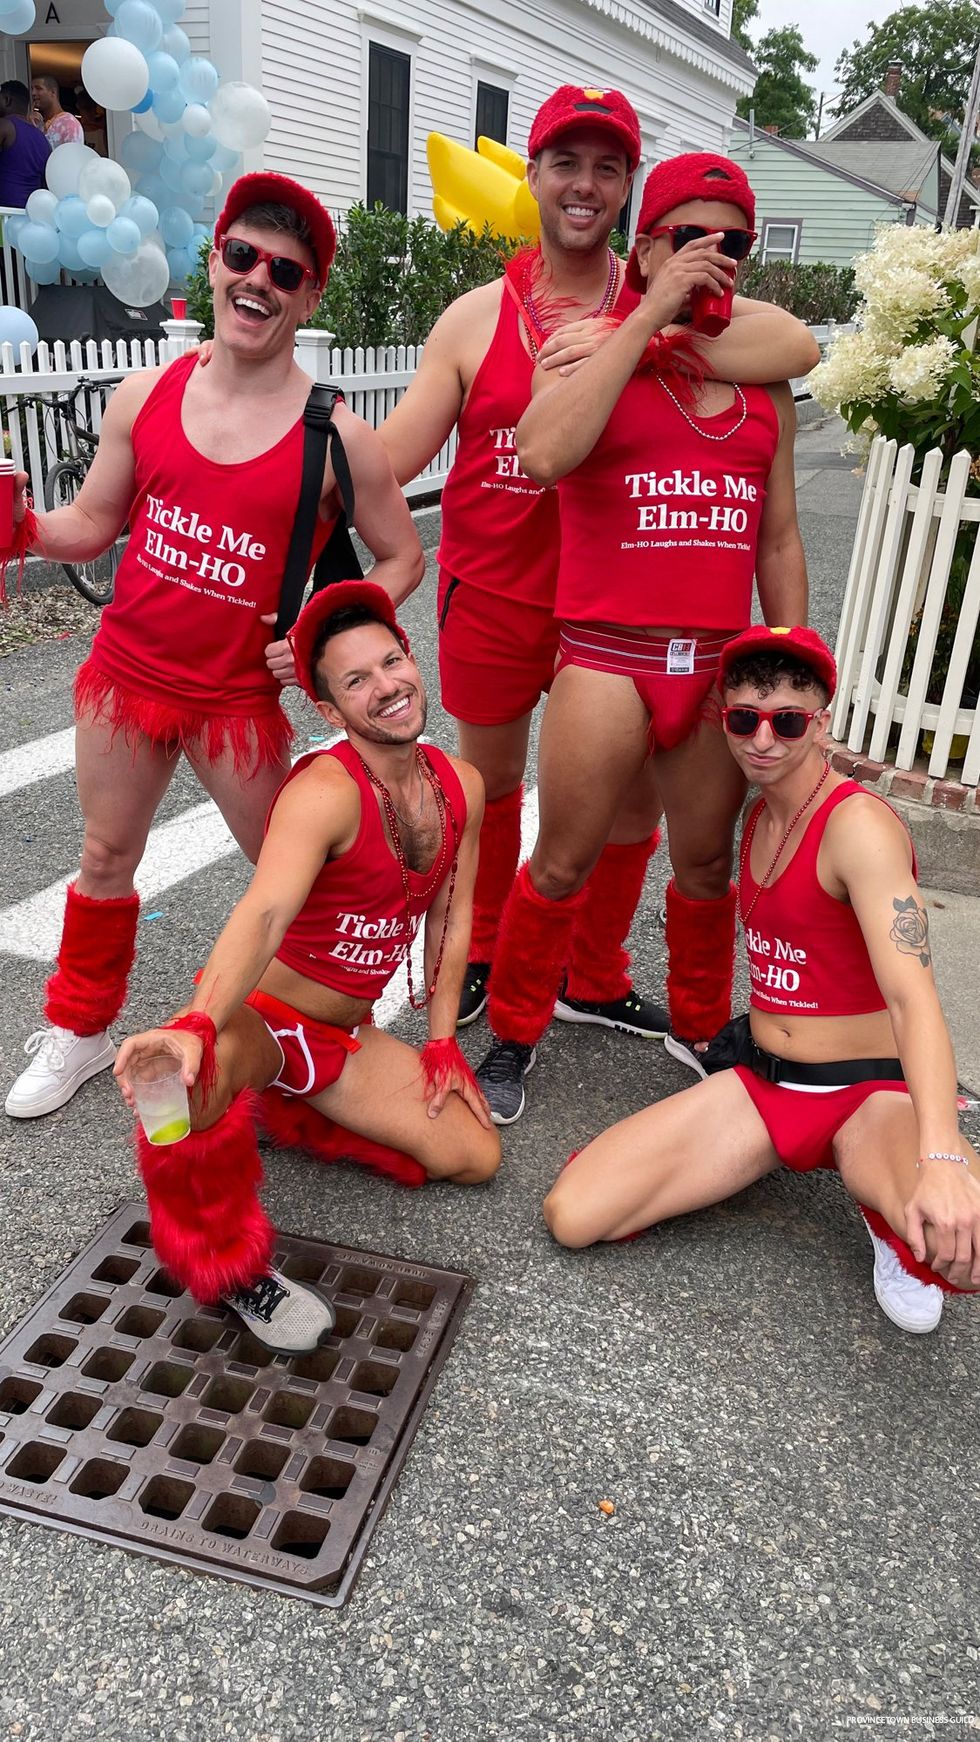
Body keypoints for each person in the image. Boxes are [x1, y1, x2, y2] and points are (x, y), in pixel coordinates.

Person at [381, 93, 818, 1114]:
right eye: (564, 162)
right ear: (532, 173)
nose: (709, 256)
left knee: (670, 839)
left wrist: (788, 656)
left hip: (673, 632)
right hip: (523, 595)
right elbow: (437, 452)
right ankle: (489, 974)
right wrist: (302, 468)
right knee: (505, 800)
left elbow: (791, 369)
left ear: (625, 196)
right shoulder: (506, 324)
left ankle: (611, 981)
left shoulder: (712, 346)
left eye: (731, 244)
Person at [5, 171, 424, 1122]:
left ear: (308, 297)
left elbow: (404, 557)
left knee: (296, 877)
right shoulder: (146, 394)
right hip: (125, 676)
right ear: (217, 261)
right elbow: (92, 524)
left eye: (285, 270)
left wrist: (319, 632)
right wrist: (23, 527)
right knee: (105, 855)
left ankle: (316, 1029)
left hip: (237, 701)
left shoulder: (337, 435)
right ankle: (80, 1026)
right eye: (243, 255)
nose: (258, 280)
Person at [544, 626, 980, 1334]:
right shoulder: (758, 814)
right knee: (573, 1212)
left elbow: (913, 998)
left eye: (789, 722)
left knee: (966, 1241)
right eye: (745, 719)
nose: (764, 740)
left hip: (868, 1094)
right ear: (726, 720)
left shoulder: (858, 828)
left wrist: (940, 1155)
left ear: (822, 724)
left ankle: (883, 1203)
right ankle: (844, 1171)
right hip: (766, 1084)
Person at [115, 581, 500, 1355]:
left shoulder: (462, 784)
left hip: (342, 1037)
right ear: (330, 711)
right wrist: (200, 1024)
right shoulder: (324, 791)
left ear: (412, 658)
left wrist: (440, 1042)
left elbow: (452, 917)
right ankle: (227, 1269)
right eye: (356, 681)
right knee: (172, 1091)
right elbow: (263, 912)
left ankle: (279, 1107)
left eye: (390, 662)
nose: (386, 686)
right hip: (266, 1018)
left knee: (475, 1157)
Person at [0, 80, 51, 208]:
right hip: (30, 213)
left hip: (4, 211)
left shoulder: (4, 126)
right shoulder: (42, 139)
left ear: (7, 100)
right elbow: (45, 182)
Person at [31, 75, 83, 147]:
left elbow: (72, 152)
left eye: (38, 88)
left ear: (53, 92)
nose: (33, 93)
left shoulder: (68, 122)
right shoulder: (38, 123)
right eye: (32, 89)